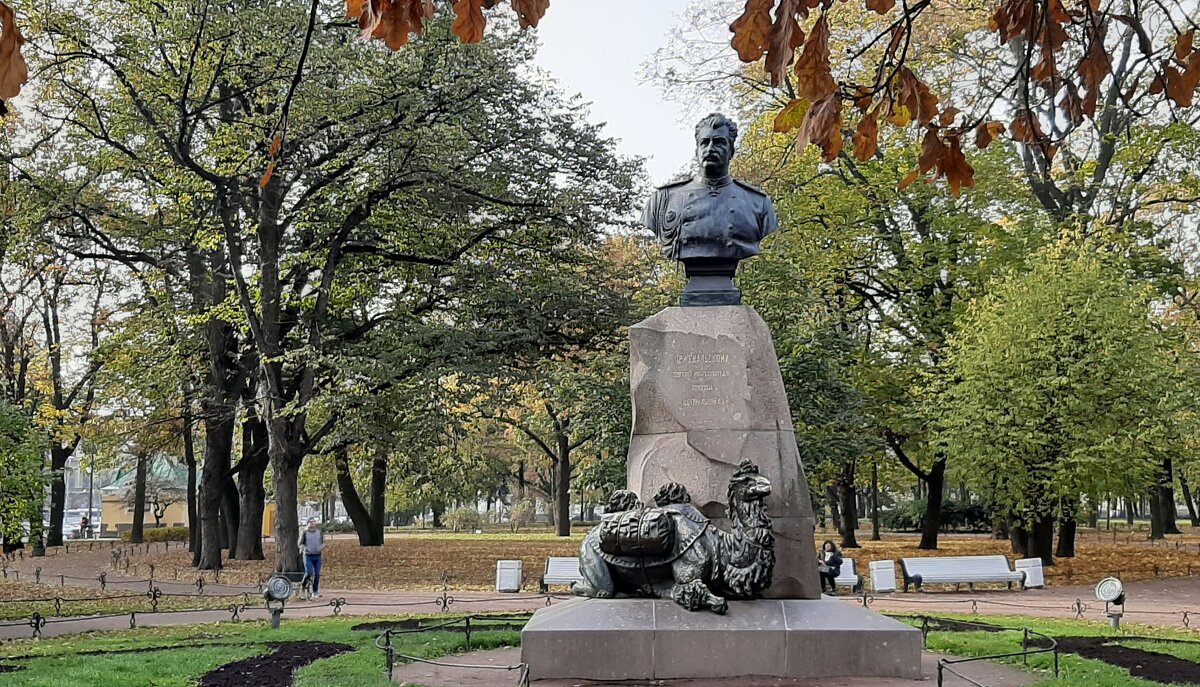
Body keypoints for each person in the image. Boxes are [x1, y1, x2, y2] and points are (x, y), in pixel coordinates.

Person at [298, 518, 326, 599]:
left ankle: (315, 591)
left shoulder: (319, 532)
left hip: (317, 555)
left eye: (314, 522)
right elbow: (300, 544)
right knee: (309, 572)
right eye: (311, 522)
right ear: (307, 523)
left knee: (317, 573)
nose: (313, 523)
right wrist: (305, 549)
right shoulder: (304, 532)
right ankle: (302, 588)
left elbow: (323, 541)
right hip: (308, 556)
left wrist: (321, 547)